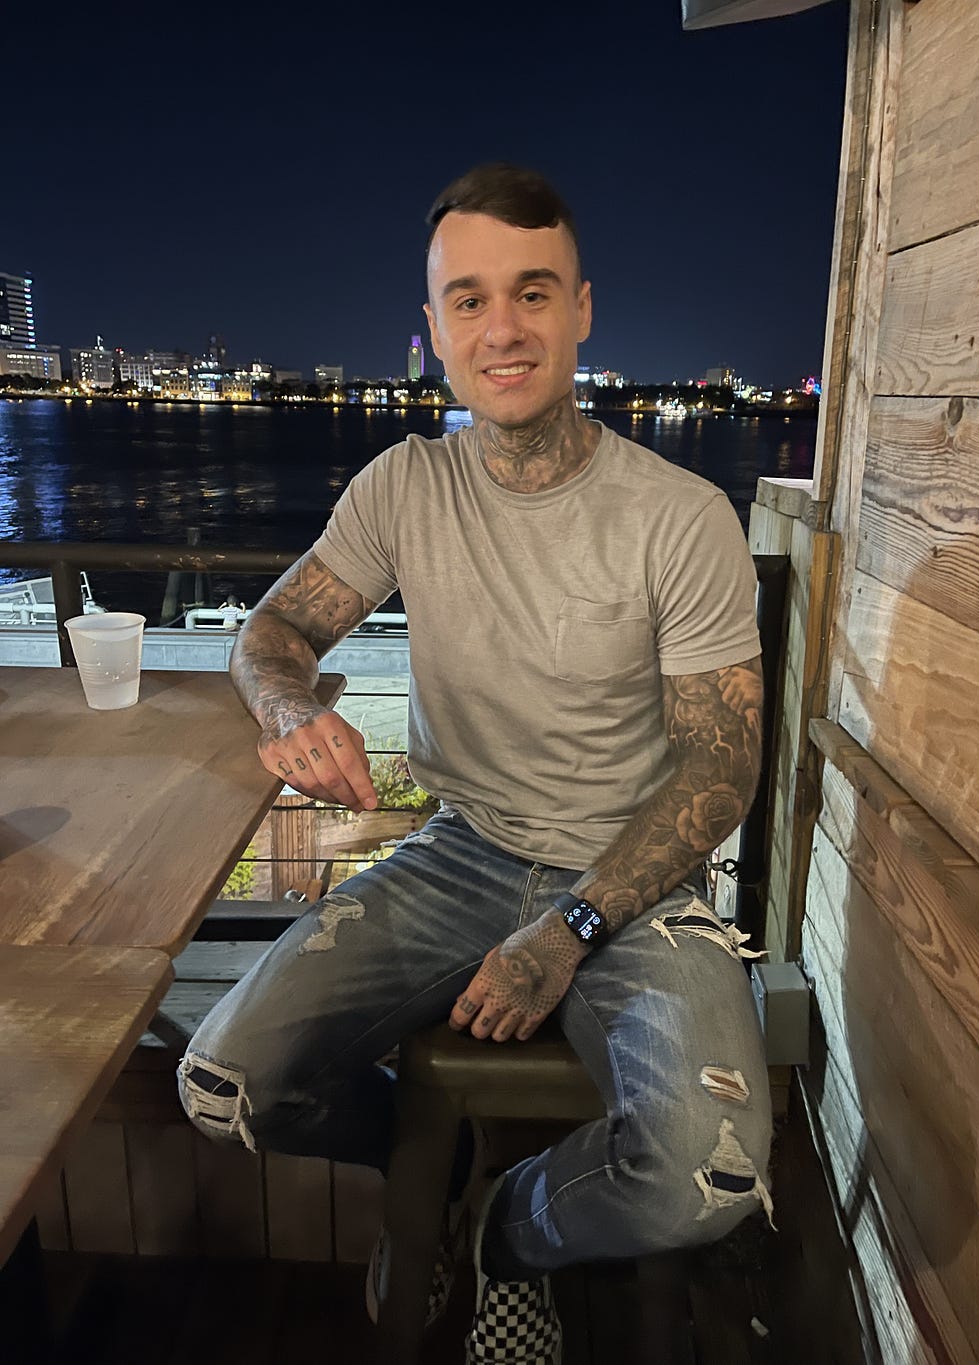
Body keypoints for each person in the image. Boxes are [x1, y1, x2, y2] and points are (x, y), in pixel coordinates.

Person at [178, 163, 773, 1365]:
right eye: (467, 300)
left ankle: (509, 1230)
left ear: (582, 310)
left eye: (532, 292)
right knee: (224, 1084)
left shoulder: (679, 515)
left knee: (701, 1178)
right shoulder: (405, 485)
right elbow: (272, 631)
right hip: (459, 851)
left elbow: (720, 768)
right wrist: (288, 707)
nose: (501, 328)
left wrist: (568, 929)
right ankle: (433, 1159)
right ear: (437, 327)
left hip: (632, 876)